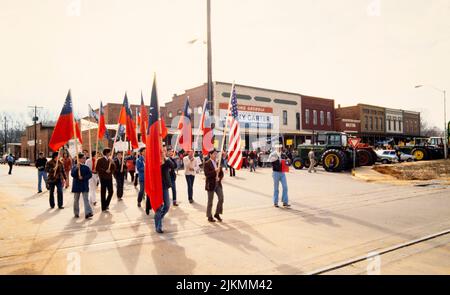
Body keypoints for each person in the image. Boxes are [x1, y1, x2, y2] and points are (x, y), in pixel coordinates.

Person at [154, 146, 176, 233]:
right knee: (158, 207)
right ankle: (158, 226)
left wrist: (165, 158)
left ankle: (159, 217)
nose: (164, 151)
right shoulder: (155, 160)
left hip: (165, 186)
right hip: (156, 186)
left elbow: (173, 166)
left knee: (167, 205)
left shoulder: (167, 160)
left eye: (165, 150)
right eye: (162, 150)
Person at [204, 149, 225, 222]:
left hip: (218, 184)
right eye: (214, 154)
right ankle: (209, 216)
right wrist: (215, 171)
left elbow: (221, 173)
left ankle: (217, 213)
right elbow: (207, 174)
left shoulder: (218, 162)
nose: (215, 155)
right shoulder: (207, 163)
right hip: (210, 184)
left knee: (221, 198)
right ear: (210, 154)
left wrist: (219, 177)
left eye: (216, 154)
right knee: (210, 201)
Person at [71, 153, 93, 219]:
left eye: (85, 158)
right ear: (79, 159)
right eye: (83, 158)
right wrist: (76, 169)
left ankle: (88, 212)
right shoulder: (75, 166)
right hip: (76, 185)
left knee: (86, 199)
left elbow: (90, 175)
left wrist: (83, 177)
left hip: (84, 185)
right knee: (76, 200)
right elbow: (72, 174)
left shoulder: (86, 167)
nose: (84, 159)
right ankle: (76, 213)